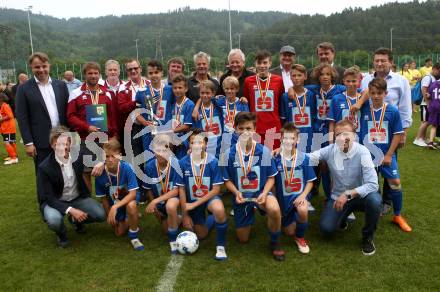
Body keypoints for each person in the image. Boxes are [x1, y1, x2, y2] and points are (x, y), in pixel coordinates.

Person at [310, 120, 381, 256]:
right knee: (326, 230)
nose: (342, 138)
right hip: (338, 197)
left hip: (362, 197)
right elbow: (307, 158)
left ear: (354, 135)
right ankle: (343, 217)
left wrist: (348, 194)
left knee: (375, 201)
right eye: (338, 135)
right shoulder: (330, 150)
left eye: (346, 134)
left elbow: (373, 184)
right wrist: (285, 152)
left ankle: (367, 238)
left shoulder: (363, 152)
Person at [222, 112, 285, 261]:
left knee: (274, 209)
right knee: (243, 239)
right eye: (241, 128)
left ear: (255, 129)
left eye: (249, 128)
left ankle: (275, 241)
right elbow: (227, 180)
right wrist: (236, 192)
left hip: (261, 194)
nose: (245, 132)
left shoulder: (263, 151)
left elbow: (271, 177)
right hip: (242, 198)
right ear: (235, 129)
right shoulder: (228, 154)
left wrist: (265, 193)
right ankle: (251, 212)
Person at [37, 126, 106, 247]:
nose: (62, 148)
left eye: (65, 143)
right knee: (54, 221)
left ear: (70, 143)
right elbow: (48, 197)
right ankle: (61, 234)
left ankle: (74, 220)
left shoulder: (78, 155)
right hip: (55, 201)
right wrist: (71, 210)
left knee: (101, 215)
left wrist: (102, 162)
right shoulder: (44, 167)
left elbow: (106, 152)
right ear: (52, 145)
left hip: (77, 198)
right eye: (57, 144)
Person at [359, 78, 411, 232]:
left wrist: (389, 155)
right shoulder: (364, 109)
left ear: (385, 93)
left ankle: (397, 215)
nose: (376, 96)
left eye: (379, 93)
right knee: (370, 184)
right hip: (368, 156)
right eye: (373, 93)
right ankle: (373, 210)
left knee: (395, 182)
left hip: (386, 155)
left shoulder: (392, 111)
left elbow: (397, 134)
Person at [176, 129, 228, 260]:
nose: (196, 145)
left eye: (200, 142)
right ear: (189, 145)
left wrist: (194, 205)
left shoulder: (213, 162)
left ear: (205, 144)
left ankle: (220, 247)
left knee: (219, 209)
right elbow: (181, 189)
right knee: (201, 235)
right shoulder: (182, 163)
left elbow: (216, 190)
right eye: (193, 142)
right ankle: (210, 219)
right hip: (191, 200)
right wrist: (185, 215)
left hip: (209, 198)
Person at [67, 61, 117, 192]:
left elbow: (113, 117)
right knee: (86, 172)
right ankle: (89, 200)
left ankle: (109, 200)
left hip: (104, 139)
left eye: (95, 73)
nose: (93, 76)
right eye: (90, 73)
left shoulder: (108, 93)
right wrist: (86, 126)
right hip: (85, 139)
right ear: (84, 75)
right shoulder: (76, 93)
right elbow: (70, 116)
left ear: (99, 75)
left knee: (108, 170)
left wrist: (114, 136)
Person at [15, 52, 69, 172]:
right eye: (37, 67)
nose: (41, 69)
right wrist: (28, 143)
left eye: (44, 66)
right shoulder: (23, 89)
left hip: (62, 139)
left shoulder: (61, 85)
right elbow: (22, 117)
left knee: (66, 174)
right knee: (44, 176)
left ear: (49, 66)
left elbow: (67, 112)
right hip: (41, 142)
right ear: (31, 67)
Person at [273, 123, 316, 254]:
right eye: (285, 138)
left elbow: (310, 182)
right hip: (284, 199)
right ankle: (291, 218)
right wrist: (276, 202)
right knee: (288, 232)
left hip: (299, 197)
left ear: (297, 140)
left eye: (292, 138)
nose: (288, 141)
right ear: (280, 139)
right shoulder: (275, 158)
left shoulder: (304, 158)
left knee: (303, 210)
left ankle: (300, 237)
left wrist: (303, 196)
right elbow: (272, 183)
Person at [95, 139, 144, 250]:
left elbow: (133, 194)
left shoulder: (127, 168)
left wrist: (115, 207)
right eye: (107, 156)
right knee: (119, 233)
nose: (110, 159)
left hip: (128, 198)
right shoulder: (100, 174)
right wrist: (110, 217)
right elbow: (104, 199)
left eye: (113, 156)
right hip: (114, 202)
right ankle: (131, 217)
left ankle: (134, 236)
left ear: (120, 156)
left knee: (131, 206)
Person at [143, 134, 181, 254]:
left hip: (176, 200)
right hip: (160, 203)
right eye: (157, 150)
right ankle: (177, 219)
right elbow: (148, 188)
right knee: (166, 229)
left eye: (164, 150)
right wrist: (154, 206)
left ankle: (173, 240)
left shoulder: (176, 164)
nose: (160, 153)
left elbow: (177, 191)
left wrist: (155, 201)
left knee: (171, 206)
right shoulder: (149, 167)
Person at [243, 50, 284, 149]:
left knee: (273, 158)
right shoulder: (248, 81)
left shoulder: (278, 80)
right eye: (259, 63)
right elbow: (246, 101)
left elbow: (281, 102)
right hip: (256, 127)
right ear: (255, 64)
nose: (262, 66)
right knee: (257, 158)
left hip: (273, 126)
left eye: (265, 62)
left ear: (270, 63)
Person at [135, 60, 174, 154]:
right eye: (151, 73)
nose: (154, 75)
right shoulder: (142, 92)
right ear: (147, 75)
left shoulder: (170, 90)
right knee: (150, 161)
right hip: (149, 132)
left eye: (156, 72)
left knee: (167, 159)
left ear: (162, 73)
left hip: (166, 131)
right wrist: (144, 122)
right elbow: (137, 113)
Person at [280, 64, 316, 153]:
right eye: (294, 75)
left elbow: (314, 117)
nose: (296, 78)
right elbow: (283, 121)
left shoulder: (311, 95)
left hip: (309, 135)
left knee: (308, 162)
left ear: (305, 76)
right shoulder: (285, 97)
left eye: (299, 75)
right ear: (290, 77)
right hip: (292, 137)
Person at [117, 59, 149, 159]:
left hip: (150, 126)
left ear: (140, 69)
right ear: (127, 72)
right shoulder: (123, 87)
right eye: (130, 69)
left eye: (135, 68)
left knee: (151, 156)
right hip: (134, 128)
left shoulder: (149, 83)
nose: (133, 71)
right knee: (137, 159)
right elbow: (121, 107)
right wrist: (136, 103)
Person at [329, 67, 362, 137]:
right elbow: (332, 123)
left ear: (359, 81)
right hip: (342, 139)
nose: (351, 84)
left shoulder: (363, 99)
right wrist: (331, 143)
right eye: (348, 81)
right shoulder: (336, 99)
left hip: (360, 139)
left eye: (354, 81)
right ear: (343, 81)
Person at [194, 80, 224, 158]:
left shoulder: (218, 105)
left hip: (220, 148)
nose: (205, 95)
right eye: (202, 93)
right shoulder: (197, 111)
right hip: (205, 149)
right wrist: (196, 107)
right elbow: (196, 131)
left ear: (213, 93)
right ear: (199, 93)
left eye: (207, 93)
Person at [413, 63, 440, 147]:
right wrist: (428, 103)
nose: (439, 73)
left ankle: (423, 138)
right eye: (439, 71)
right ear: (435, 68)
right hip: (426, 103)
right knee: (426, 121)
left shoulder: (432, 77)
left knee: (427, 121)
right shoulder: (427, 77)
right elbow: (423, 89)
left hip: (429, 103)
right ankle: (417, 139)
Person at [170, 74, 195, 159]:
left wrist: (170, 131)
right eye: (175, 88)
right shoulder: (172, 104)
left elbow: (187, 126)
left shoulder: (189, 104)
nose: (177, 90)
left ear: (186, 89)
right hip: (173, 142)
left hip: (184, 143)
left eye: (180, 88)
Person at [0, 92, 18, 164]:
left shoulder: (5, 106)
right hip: (6, 128)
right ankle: (13, 156)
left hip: (8, 128)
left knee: (7, 142)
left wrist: (1, 119)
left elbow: (10, 116)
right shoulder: (3, 106)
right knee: (11, 142)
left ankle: (13, 158)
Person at [427, 79, 440, 149]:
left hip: (434, 106)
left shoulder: (433, 83)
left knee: (434, 125)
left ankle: (430, 142)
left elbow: (428, 95)